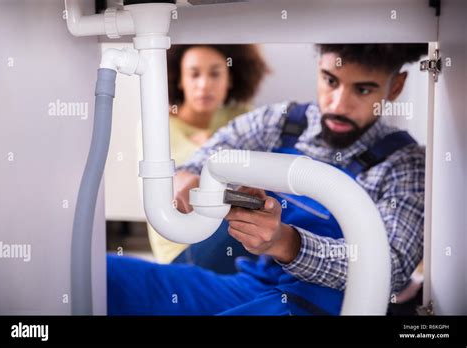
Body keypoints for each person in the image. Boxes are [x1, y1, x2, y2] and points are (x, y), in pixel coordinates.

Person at [109, 43, 427, 315]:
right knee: (109, 274)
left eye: (363, 89)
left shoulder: (404, 164)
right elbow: (207, 156)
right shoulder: (283, 122)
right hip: (251, 284)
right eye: (331, 80)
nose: (339, 103)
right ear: (319, 68)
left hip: (318, 307)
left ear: (395, 87)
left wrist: (287, 243)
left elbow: (391, 268)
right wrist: (185, 176)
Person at [146, 44, 269, 264]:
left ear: (230, 79)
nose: (204, 85)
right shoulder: (158, 124)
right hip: (182, 249)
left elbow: (260, 172)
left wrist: (208, 141)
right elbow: (183, 187)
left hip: (228, 234)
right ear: (180, 80)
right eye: (194, 75)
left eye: (214, 74)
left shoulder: (242, 115)